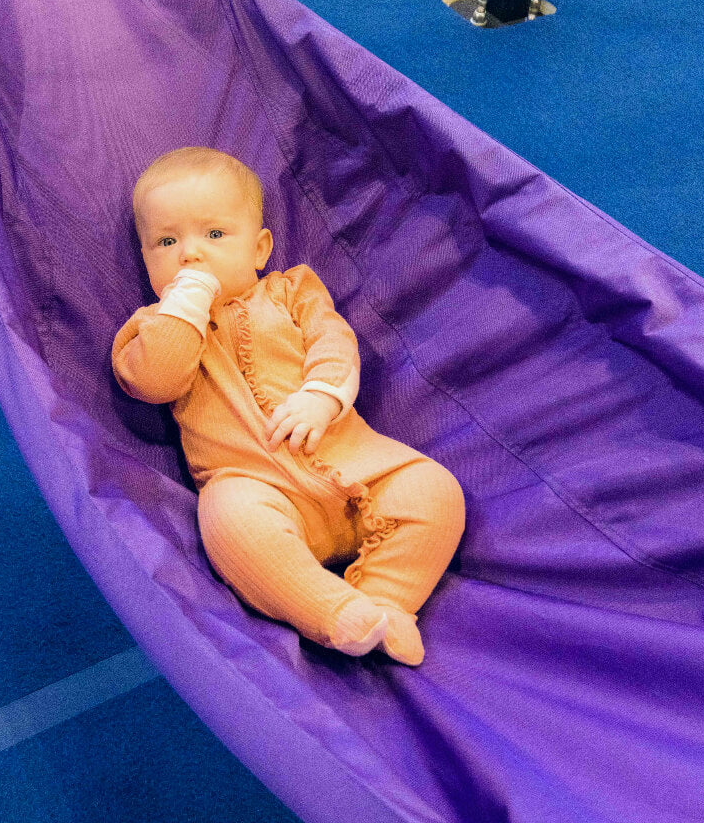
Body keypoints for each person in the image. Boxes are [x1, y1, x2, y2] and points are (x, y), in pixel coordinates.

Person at [111, 147, 466, 665]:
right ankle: (335, 614)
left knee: (434, 491)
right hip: (253, 484)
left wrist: (320, 396)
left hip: (354, 464)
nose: (190, 254)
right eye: (167, 242)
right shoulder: (152, 326)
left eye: (214, 235)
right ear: (146, 261)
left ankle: (388, 603)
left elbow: (334, 343)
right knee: (229, 524)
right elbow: (155, 381)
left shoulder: (292, 291)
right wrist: (184, 304)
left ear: (259, 249)